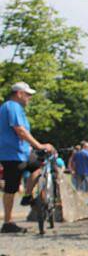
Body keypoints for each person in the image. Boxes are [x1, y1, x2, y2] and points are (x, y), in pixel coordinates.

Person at [0, 82, 54, 234]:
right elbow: (20, 131)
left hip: (20, 152)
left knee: (38, 167)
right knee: (11, 188)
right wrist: (39, 145)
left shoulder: (15, 109)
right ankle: (8, 222)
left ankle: (28, 196)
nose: (29, 98)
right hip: (13, 155)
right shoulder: (12, 106)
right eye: (27, 94)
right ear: (19, 94)